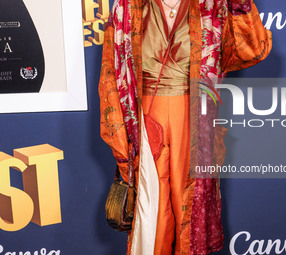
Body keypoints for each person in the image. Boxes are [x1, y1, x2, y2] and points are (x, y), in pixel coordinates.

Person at [98, 0, 272, 254]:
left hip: (194, 119)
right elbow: (111, 75)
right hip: (145, 117)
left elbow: (253, 50)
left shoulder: (212, 5)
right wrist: (120, 143)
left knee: (188, 209)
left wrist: (240, 5)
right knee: (151, 211)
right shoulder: (128, 6)